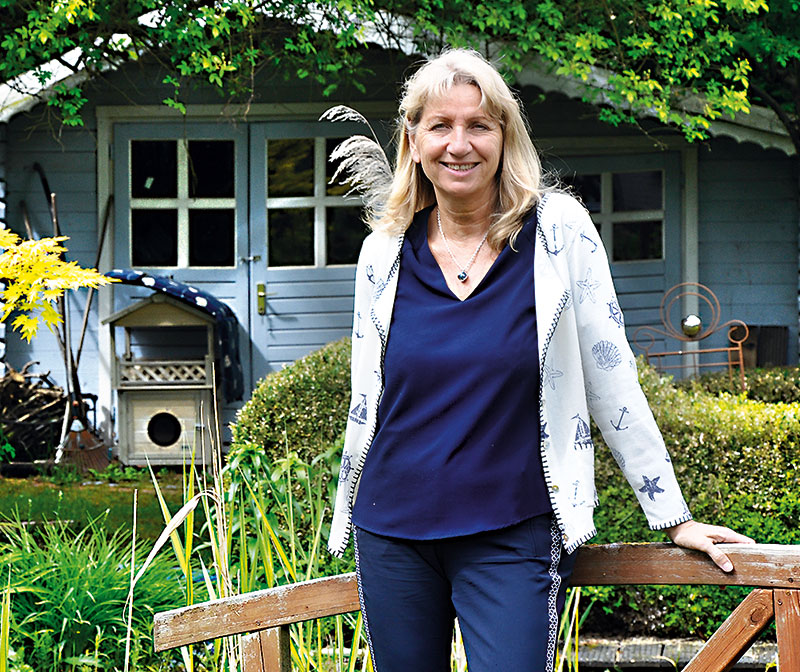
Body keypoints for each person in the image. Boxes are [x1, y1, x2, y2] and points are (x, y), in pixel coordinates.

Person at [327, 48, 754, 672]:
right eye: (440, 126)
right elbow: (372, 395)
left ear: (505, 136)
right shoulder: (383, 252)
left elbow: (612, 377)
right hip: (392, 529)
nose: (459, 144)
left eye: (479, 125)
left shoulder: (558, 232)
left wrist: (673, 516)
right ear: (413, 140)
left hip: (510, 527)